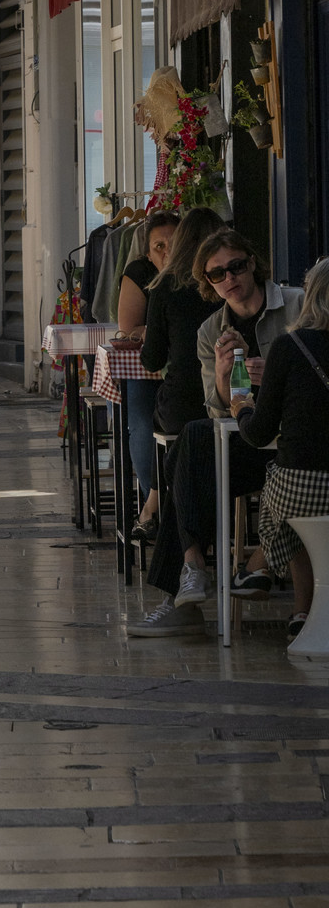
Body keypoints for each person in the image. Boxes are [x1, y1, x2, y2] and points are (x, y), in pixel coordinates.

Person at [130, 221, 303, 637]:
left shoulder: (297, 306)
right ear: (206, 281)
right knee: (192, 442)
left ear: (253, 265)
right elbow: (218, 411)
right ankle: (193, 568)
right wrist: (226, 376)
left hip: (301, 443)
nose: (230, 279)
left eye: (237, 267)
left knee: (180, 461)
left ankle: (183, 596)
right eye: (217, 274)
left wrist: (276, 374)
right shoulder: (211, 331)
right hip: (251, 439)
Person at [235, 258, 329, 639]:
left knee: (283, 500)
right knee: (293, 505)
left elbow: (258, 434)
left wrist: (242, 410)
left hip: (301, 490)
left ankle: (258, 567)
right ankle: (302, 611)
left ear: (311, 296)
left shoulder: (289, 347)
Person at [115, 210, 174, 536]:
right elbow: (128, 327)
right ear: (147, 252)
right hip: (147, 364)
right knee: (139, 416)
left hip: (185, 368)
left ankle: (155, 504)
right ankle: (152, 492)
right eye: (159, 246)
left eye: (173, 244)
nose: (166, 252)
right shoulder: (140, 272)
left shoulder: (202, 272)